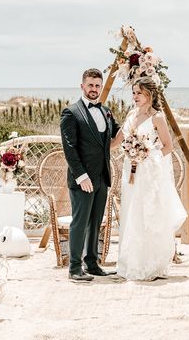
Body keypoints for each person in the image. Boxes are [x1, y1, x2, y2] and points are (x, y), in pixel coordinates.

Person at [111, 76, 187, 280]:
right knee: (130, 212)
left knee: (147, 214)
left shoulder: (157, 117)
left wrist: (146, 155)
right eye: (133, 92)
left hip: (149, 173)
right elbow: (118, 140)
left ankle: (149, 264)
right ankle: (131, 262)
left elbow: (168, 146)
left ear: (149, 95)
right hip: (131, 172)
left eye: (139, 93)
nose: (135, 96)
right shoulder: (130, 114)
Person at [60, 68, 120, 282]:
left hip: (102, 176)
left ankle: (92, 263)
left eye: (97, 85)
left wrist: (138, 118)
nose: (94, 89)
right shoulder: (71, 112)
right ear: (82, 86)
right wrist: (81, 176)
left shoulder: (106, 111)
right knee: (80, 221)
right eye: (90, 85)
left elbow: (118, 133)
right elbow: (69, 148)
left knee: (95, 222)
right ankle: (75, 267)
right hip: (82, 179)